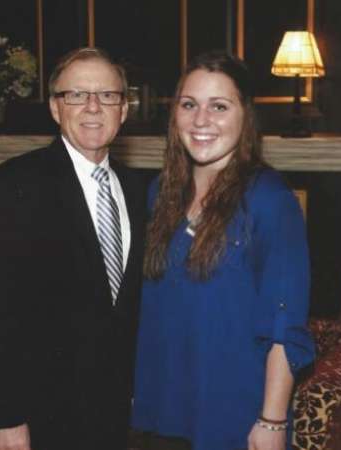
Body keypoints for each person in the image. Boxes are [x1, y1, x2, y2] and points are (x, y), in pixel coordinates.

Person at [131, 50, 315, 450]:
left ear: (245, 116)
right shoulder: (160, 193)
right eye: (189, 105)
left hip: (233, 415)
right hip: (161, 409)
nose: (201, 121)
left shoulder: (270, 200)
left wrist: (272, 421)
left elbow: (284, 325)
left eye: (219, 106)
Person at [0, 47, 147, 450]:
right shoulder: (13, 186)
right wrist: (4, 417)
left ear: (124, 109)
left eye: (108, 95)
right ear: (54, 107)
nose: (93, 107)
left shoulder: (137, 191)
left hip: (112, 419)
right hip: (35, 419)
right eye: (76, 95)